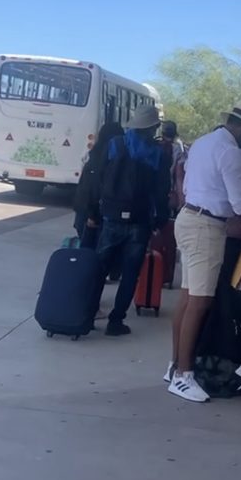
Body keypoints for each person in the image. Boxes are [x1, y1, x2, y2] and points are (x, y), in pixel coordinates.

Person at [168, 102, 241, 403]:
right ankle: (183, 376)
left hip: (188, 219)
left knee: (187, 299)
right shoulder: (230, 152)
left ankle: (174, 366)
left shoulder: (204, 142)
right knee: (200, 302)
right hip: (206, 227)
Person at [94, 105, 170, 336]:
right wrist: (160, 219)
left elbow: (99, 177)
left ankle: (87, 313)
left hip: (111, 217)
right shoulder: (157, 153)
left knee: (99, 269)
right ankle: (116, 321)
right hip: (140, 220)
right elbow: (161, 190)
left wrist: (97, 209)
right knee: (129, 273)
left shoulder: (115, 144)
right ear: (153, 127)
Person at [73, 121, 123, 249]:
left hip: (83, 210)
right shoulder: (111, 156)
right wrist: (93, 215)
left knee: (86, 252)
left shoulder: (94, 154)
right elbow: (97, 187)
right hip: (94, 214)